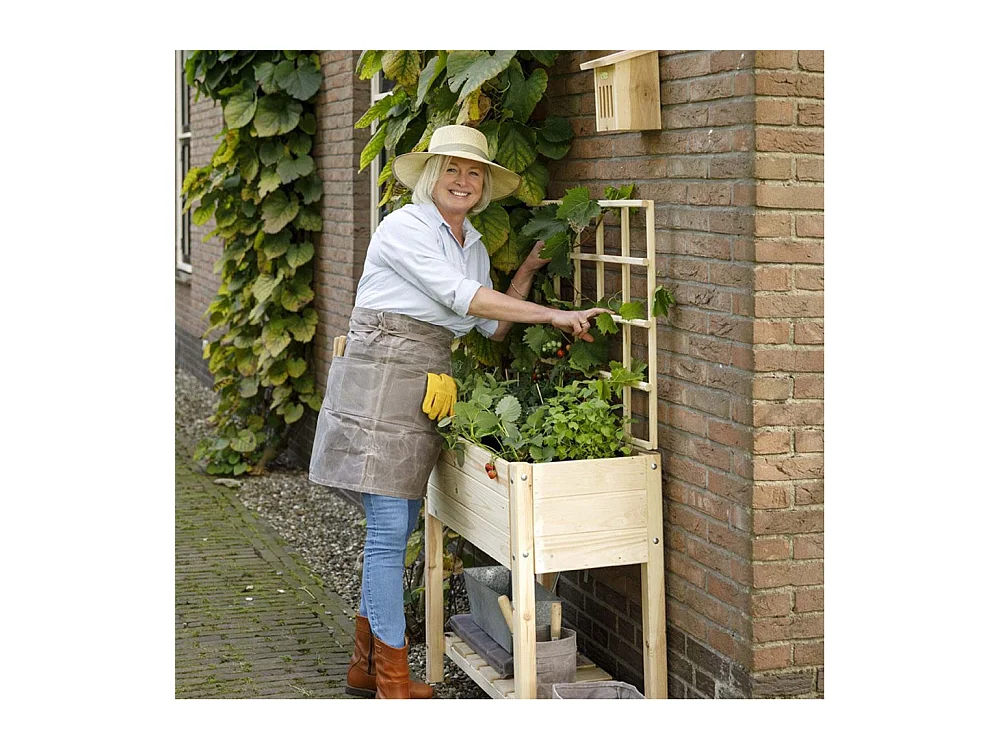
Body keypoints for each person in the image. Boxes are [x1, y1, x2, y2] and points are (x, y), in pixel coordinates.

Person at [309, 124, 606, 699]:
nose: (463, 181)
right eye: (451, 169)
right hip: (381, 375)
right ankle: (392, 679)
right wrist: (548, 315)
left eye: (474, 172)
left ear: (485, 186)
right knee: (390, 530)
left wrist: (524, 276)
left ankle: (367, 666)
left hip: (419, 382)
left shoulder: (469, 243)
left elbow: (490, 326)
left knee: (388, 529)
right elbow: (461, 298)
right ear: (429, 176)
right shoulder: (404, 227)